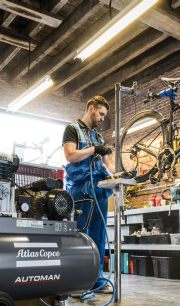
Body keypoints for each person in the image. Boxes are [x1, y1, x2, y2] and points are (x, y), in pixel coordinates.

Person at [63, 96, 116, 295]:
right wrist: (94, 149)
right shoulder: (72, 130)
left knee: (98, 235)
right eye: (101, 114)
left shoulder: (99, 137)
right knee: (81, 235)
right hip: (81, 189)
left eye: (104, 116)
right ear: (91, 108)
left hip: (100, 188)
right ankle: (78, 283)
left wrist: (120, 172)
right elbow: (70, 155)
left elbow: (107, 164)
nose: (103, 118)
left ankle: (96, 280)